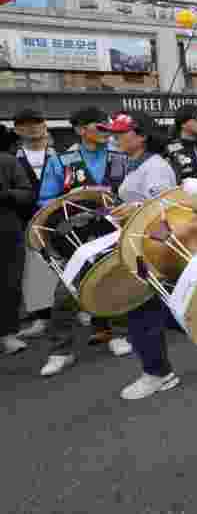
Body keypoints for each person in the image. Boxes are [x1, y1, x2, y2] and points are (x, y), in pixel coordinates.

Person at [38, 107, 132, 378]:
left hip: (113, 229)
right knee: (66, 290)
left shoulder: (120, 157)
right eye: (98, 126)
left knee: (117, 281)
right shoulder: (60, 161)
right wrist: (67, 208)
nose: (105, 131)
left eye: (107, 126)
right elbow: (45, 199)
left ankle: (118, 333)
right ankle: (60, 351)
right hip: (74, 234)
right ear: (80, 130)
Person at [94, 111, 181, 400]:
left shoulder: (155, 167)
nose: (114, 138)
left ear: (141, 135)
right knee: (163, 309)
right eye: (113, 133)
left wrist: (134, 212)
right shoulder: (134, 163)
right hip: (137, 243)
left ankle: (158, 373)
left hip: (150, 247)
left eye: (120, 133)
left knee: (140, 310)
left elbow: (166, 211)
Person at [13, 109, 60, 339]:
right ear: (16, 130)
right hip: (27, 220)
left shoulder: (60, 154)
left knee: (69, 263)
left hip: (61, 220)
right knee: (35, 269)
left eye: (36, 122)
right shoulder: (13, 158)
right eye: (25, 124)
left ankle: (84, 309)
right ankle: (42, 317)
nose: (32, 128)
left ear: (45, 125)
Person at [0, 146, 34, 354]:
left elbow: (27, 194)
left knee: (8, 283)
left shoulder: (7, 161)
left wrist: (6, 194)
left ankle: (7, 335)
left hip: (6, 229)